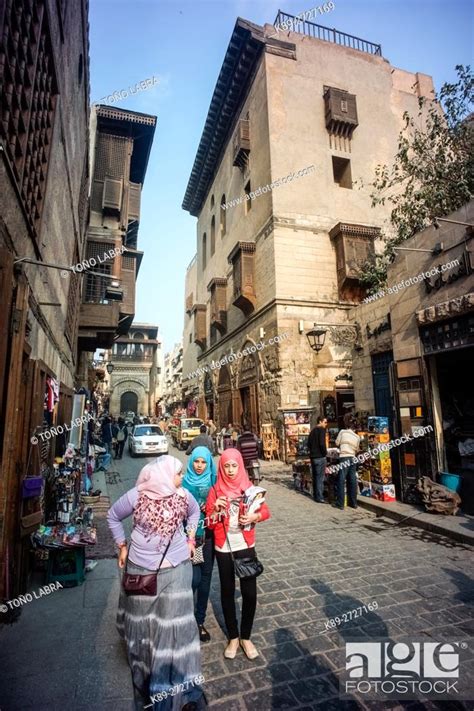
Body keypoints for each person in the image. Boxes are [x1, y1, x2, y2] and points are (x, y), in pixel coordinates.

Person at [106, 456, 206, 710]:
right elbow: (113, 516)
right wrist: (122, 546)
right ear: (163, 474)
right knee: (143, 628)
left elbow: (195, 513)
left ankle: (179, 692)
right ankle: (149, 681)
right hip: (142, 572)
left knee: (176, 629)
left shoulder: (183, 496)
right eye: (178, 473)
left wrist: (191, 539)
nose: (181, 477)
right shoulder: (138, 496)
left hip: (177, 571)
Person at [205, 448, 271, 661]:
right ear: (221, 467)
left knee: (250, 593)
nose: (231, 470)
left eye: (234, 465)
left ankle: (246, 636)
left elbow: (266, 511)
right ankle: (233, 636)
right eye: (227, 466)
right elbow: (208, 521)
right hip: (223, 548)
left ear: (240, 466)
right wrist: (215, 509)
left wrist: (255, 515)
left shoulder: (249, 489)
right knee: (226, 591)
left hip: (245, 544)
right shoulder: (215, 490)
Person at [183, 447, 217, 643]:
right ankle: (185, 618)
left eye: (203, 462)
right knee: (192, 579)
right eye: (197, 461)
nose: (199, 466)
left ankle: (199, 620)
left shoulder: (214, 482)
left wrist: (212, 507)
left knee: (205, 579)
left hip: (208, 537)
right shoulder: (183, 482)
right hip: (190, 538)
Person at [335, 417, 361, 510]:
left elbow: (337, 443)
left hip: (344, 457)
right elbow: (357, 449)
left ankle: (340, 503)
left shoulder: (342, 432)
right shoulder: (357, 437)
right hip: (353, 458)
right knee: (352, 479)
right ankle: (353, 503)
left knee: (341, 479)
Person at [307, 416, 328, 503]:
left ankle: (316, 495)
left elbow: (308, 444)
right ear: (320, 421)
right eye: (325, 422)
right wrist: (325, 453)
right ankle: (319, 496)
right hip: (319, 457)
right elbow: (322, 443)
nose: (326, 424)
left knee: (315, 476)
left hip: (313, 457)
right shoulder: (321, 430)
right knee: (320, 477)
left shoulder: (312, 431)